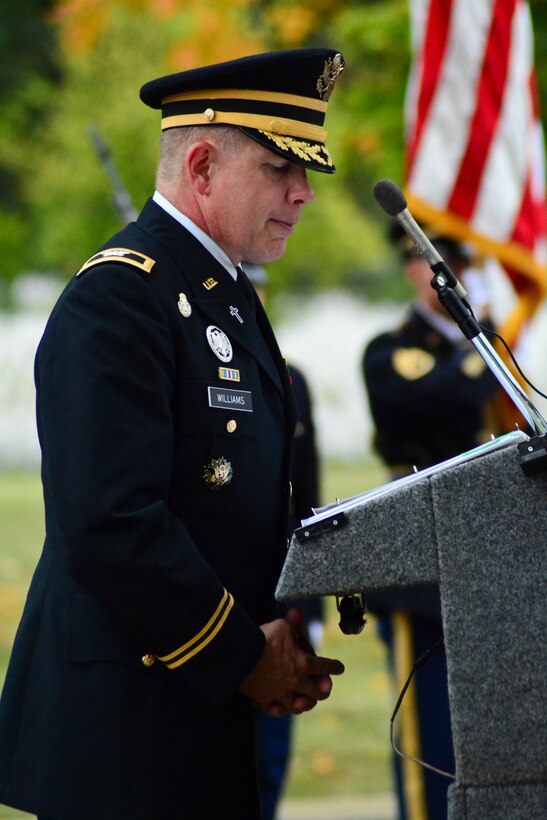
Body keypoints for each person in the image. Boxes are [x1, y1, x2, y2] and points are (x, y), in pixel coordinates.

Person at [0, 49, 346, 820]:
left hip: (192, 712)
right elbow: (110, 523)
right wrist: (244, 656)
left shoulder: (217, 293)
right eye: (279, 168)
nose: (303, 194)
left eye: (306, 173)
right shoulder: (121, 297)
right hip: (127, 730)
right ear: (200, 164)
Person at [361, 223, 502, 820]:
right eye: (423, 264)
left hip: (489, 554)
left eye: (451, 265)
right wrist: (475, 360)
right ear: (410, 271)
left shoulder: (487, 341)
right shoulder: (389, 348)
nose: (438, 277)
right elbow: (437, 398)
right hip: (421, 559)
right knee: (429, 738)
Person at [243, 263, 325, 819]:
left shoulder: (289, 377)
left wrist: (313, 599)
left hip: (283, 588)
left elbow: (309, 495)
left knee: (270, 756)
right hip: (225, 591)